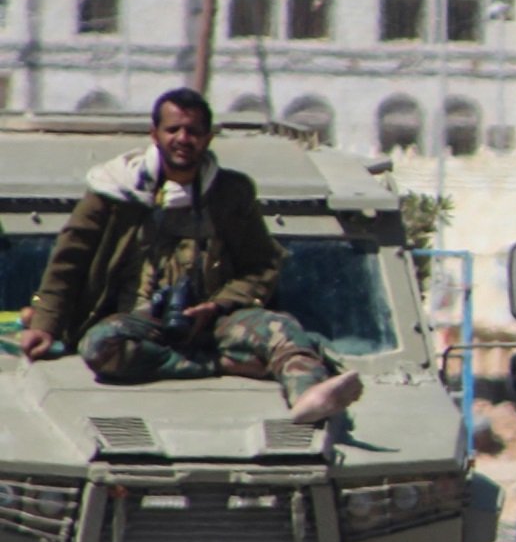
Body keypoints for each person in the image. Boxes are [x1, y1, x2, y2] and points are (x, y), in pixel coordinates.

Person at [18, 88, 361, 425]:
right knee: (100, 346)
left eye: (194, 131)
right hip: (138, 323)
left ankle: (308, 394)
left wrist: (217, 305)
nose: (183, 139)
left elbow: (263, 265)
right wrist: (45, 326)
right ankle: (219, 364)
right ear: (155, 134)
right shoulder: (113, 190)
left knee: (282, 329)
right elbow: (68, 261)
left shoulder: (231, 193)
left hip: (214, 320)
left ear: (208, 138)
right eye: (173, 130)